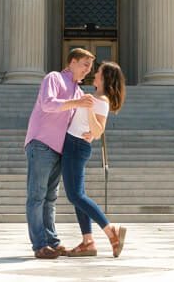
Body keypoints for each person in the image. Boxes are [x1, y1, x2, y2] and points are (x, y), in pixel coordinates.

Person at [24, 48, 96, 260]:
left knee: (50, 198)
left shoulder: (79, 92)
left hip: (60, 148)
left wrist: (91, 131)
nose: (88, 70)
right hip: (41, 143)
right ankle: (39, 245)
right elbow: (48, 104)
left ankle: (52, 242)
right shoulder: (54, 78)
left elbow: (77, 120)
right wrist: (78, 103)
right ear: (72, 62)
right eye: (85, 64)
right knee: (37, 196)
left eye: (90, 66)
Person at [61, 60, 128, 258]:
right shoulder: (94, 96)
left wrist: (89, 109)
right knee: (78, 196)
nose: (95, 74)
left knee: (76, 196)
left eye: (98, 72)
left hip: (76, 146)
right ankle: (88, 242)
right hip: (73, 144)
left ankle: (111, 233)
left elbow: (98, 131)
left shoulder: (102, 101)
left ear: (105, 78)